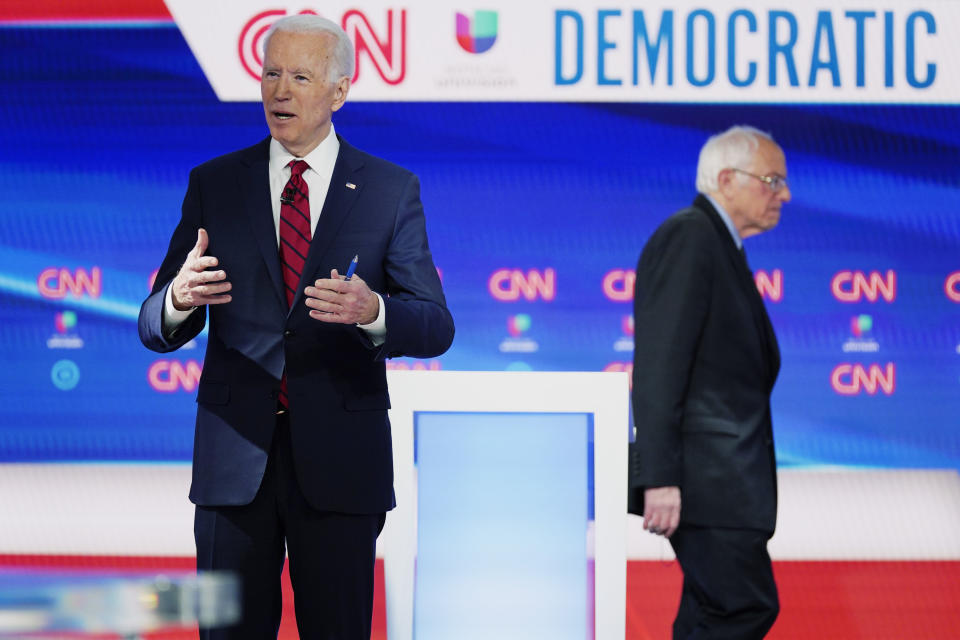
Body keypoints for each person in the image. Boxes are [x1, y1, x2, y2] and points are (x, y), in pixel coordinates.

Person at [138, 14, 454, 639]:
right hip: (235, 468)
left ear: (339, 92)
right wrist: (177, 297)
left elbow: (435, 324)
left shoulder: (391, 190)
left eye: (301, 76)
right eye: (271, 73)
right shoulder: (215, 183)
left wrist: (375, 312)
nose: (280, 91)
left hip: (341, 465)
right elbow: (154, 324)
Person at [628, 125, 790, 638]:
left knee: (709, 613)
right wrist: (660, 476)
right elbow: (660, 364)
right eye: (771, 180)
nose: (783, 194)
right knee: (741, 607)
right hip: (705, 482)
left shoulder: (722, 245)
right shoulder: (691, 236)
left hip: (725, 485)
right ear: (725, 179)